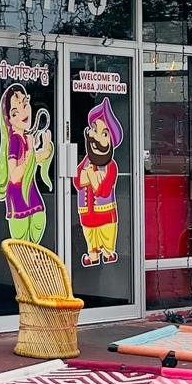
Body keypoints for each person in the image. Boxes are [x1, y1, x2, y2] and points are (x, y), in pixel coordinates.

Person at [0, 83, 54, 244]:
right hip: (18, 195)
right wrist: (31, 153)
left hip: (30, 192)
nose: (24, 113)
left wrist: (47, 149)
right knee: (22, 235)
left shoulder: (26, 138)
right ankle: (22, 265)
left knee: (38, 221)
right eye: (15, 112)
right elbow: (15, 175)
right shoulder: (14, 141)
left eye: (25, 105)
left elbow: (37, 159)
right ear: (9, 120)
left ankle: (31, 262)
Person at [75, 98, 123, 266]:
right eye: (94, 130)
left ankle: (109, 252)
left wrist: (92, 178)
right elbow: (77, 180)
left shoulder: (111, 166)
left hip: (105, 212)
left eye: (103, 134)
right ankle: (93, 255)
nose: (95, 136)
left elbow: (103, 190)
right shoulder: (87, 161)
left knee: (107, 234)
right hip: (87, 212)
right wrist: (90, 178)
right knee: (90, 235)